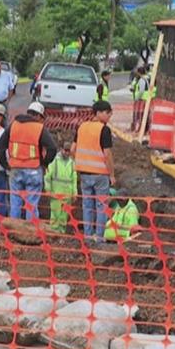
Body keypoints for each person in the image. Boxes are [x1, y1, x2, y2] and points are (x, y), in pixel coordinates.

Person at [0, 101, 57, 221]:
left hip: (15, 170)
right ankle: (31, 231)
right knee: (32, 204)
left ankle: (14, 229)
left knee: (15, 202)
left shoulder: (13, 125)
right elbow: (52, 148)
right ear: (39, 116)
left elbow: (0, 147)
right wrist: (44, 163)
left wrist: (5, 164)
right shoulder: (39, 128)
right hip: (34, 170)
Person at [71, 100, 117, 244]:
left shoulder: (82, 127)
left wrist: (80, 161)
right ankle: (99, 238)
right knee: (101, 206)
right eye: (108, 113)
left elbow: (73, 149)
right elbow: (107, 154)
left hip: (84, 173)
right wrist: (112, 174)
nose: (109, 116)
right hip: (100, 175)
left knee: (87, 205)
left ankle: (88, 236)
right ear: (99, 113)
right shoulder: (104, 129)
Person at [44, 137, 77, 233]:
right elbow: (47, 176)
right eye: (65, 150)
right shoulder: (55, 161)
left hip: (67, 194)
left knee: (64, 215)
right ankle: (53, 232)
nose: (67, 153)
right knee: (55, 214)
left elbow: (74, 179)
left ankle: (62, 231)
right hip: (56, 194)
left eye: (68, 151)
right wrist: (48, 189)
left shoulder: (72, 163)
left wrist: (74, 193)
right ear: (61, 149)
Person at [130, 66, 150, 131]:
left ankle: (140, 128)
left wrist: (137, 98)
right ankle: (144, 128)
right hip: (146, 99)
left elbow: (141, 91)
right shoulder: (147, 78)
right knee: (144, 114)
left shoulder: (142, 80)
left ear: (139, 72)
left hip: (142, 99)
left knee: (140, 114)